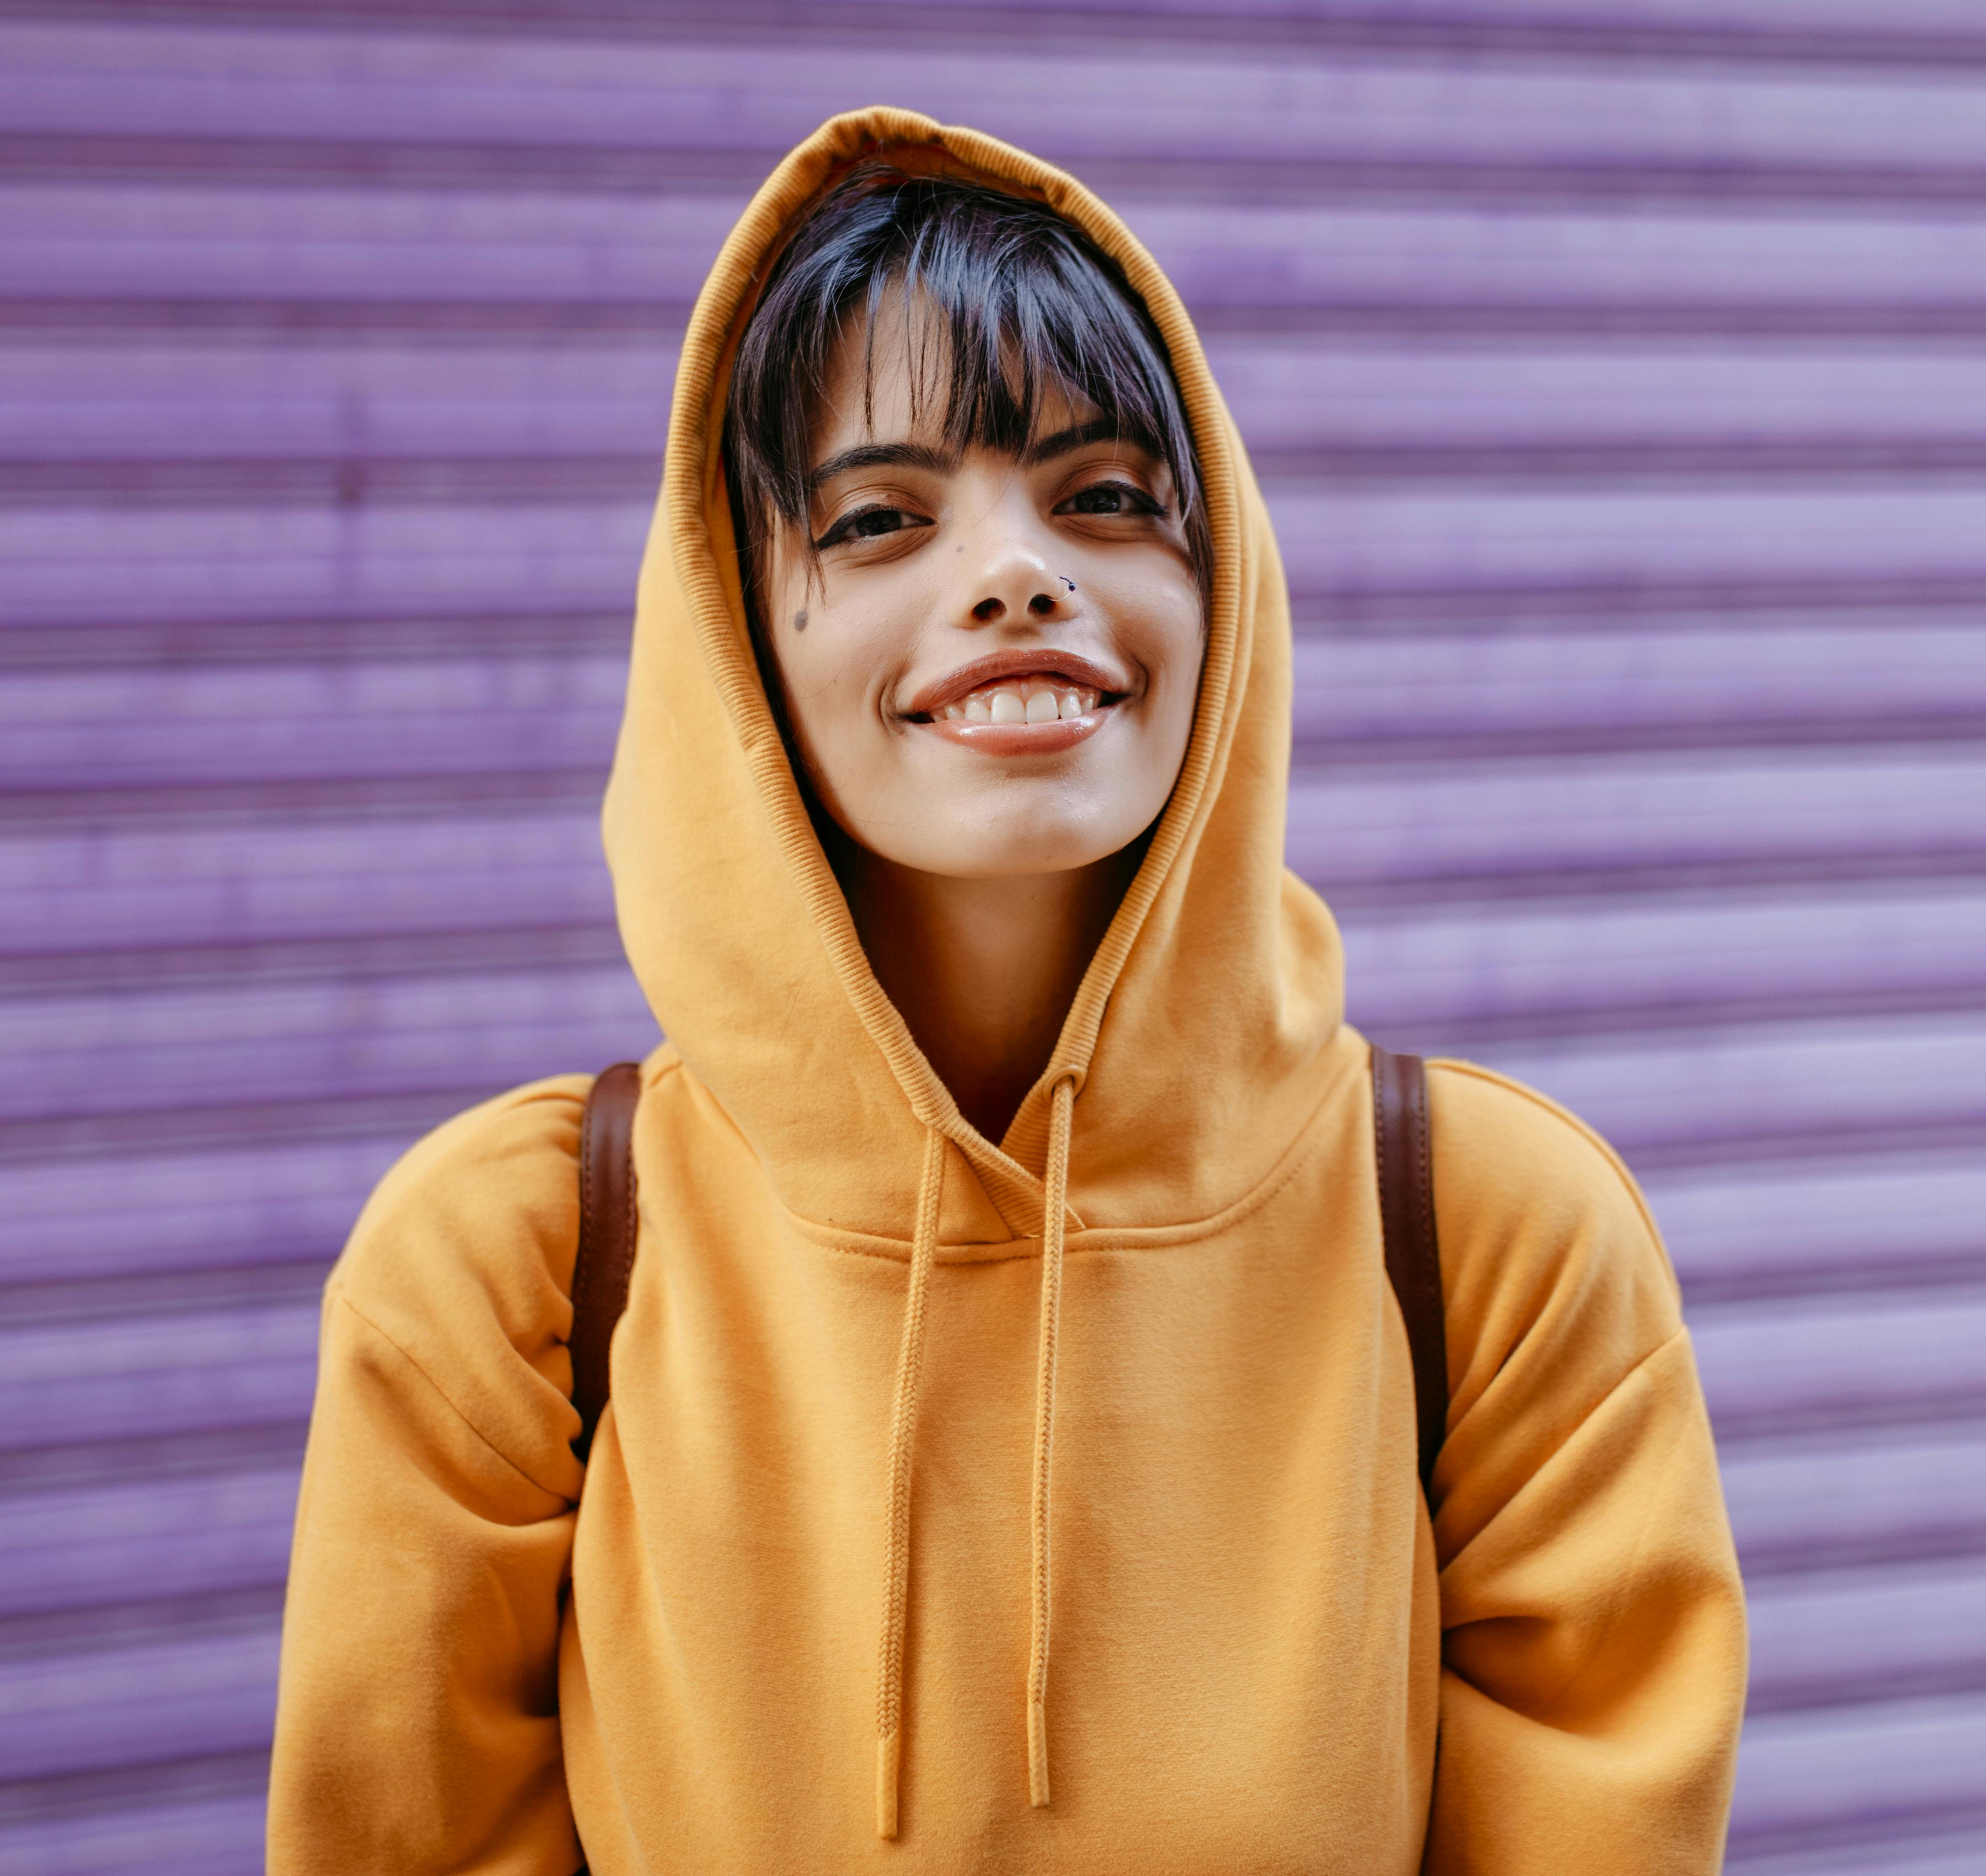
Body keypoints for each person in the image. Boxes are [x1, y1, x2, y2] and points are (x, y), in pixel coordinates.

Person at [268, 109, 1745, 1874]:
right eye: (881, 516)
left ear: (1230, 589)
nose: (1017, 574)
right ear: (736, 629)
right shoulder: (504, 1276)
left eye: (1107, 496)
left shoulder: (1501, 1240)